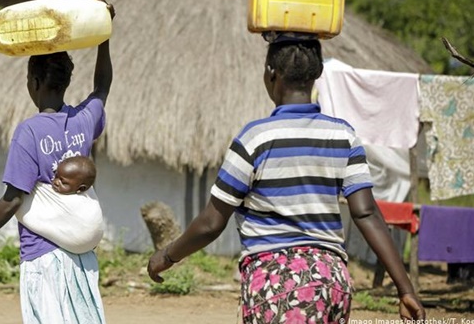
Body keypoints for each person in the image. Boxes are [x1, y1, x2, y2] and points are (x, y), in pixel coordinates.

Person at [147, 39, 426, 323]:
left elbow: (210, 223)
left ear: (271, 74)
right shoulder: (344, 136)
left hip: (276, 286)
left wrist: (168, 256)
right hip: (331, 282)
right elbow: (366, 213)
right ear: (316, 75)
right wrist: (406, 290)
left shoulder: (254, 139)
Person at [0, 0, 115, 324]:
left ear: (35, 83)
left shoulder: (29, 132)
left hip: (43, 256)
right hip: (82, 259)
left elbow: (12, 201)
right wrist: (103, 36)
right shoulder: (84, 119)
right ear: (64, 83)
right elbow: (103, 86)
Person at [16, 155, 105, 254]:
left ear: (81, 189)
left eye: (63, 182)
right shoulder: (49, 196)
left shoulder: (81, 202)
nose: (56, 182)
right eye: (56, 176)